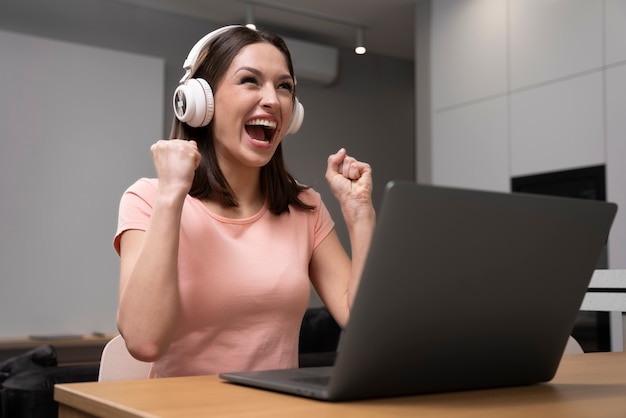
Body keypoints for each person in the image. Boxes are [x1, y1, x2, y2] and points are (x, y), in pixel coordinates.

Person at [113, 25, 375, 378]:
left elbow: (364, 323)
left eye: (284, 87)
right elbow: (145, 343)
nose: (273, 99)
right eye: (250, 81)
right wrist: (172, 194)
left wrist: (360, 216)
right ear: (199, 102)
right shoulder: (148, 199)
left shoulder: (304, 207)